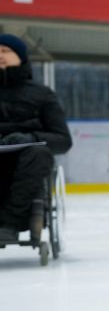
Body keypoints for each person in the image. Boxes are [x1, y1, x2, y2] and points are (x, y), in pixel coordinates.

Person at [0, 34, 72, 242]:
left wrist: (29, 137)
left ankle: (9, 224)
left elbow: (62, 139)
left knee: (39, 153)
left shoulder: (42, 95)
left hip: (25, 160)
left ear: (21, 57)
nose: (0, 55)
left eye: (5, 51)